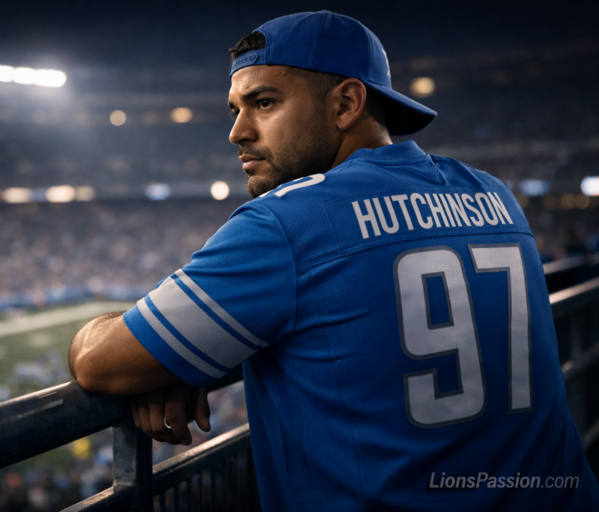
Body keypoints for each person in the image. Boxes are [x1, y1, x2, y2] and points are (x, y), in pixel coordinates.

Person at [69, 11, 599, 511]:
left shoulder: (289, 220)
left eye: (265, 103)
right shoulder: (493, 194)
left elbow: (99, 361)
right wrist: (187, 353)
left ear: (346, 104)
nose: (237, 132)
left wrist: (145, 349)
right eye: (237, 109)